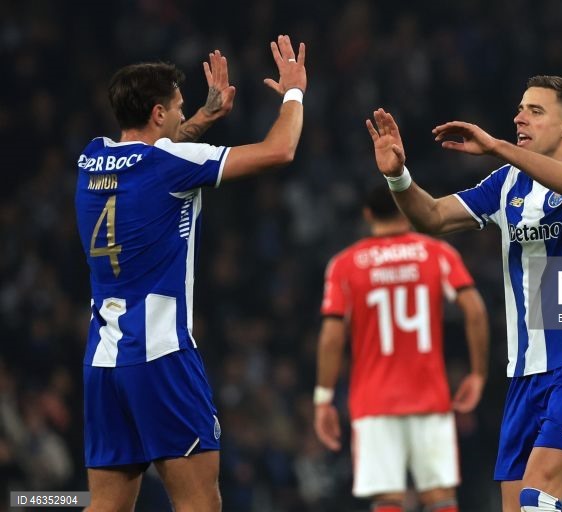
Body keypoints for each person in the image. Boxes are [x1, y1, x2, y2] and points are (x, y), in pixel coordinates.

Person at [366, 75, 562, 512]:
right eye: (520, 108)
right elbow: (431, 217)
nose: (519, 117)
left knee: (536, 497)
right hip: (526, 370)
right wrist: (398, 177)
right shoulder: (507, 183)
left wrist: (498, 147)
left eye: (535, 111)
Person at [74, 35, 307, 511]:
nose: (183, 115)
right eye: (179, 108)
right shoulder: (171, 163)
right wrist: (294, 92)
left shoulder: (91, 158)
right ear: (158, 113)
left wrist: (205, 116)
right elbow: (279, 150)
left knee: (106, 506)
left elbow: (154, 154)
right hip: (162, 356)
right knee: (200, 502)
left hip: (103, 360)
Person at [314, 184, 490, 512]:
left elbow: (331, 335)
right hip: (430, 396)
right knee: (441, 497)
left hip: (374, 400)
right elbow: (476, 310)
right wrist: (478, 373)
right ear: (407, 209)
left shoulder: (345, 265)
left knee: (387, 498)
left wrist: (323, 399)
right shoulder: (436, 253)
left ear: (367, 214)